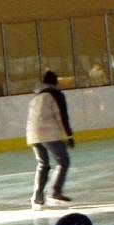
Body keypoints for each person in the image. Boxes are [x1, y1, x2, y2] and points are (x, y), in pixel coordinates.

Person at [26, 70, 75, 211]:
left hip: (32, 135)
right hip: (49, 133)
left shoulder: (36, 96)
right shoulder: (56, 95)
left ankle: (37, 198)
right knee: (63, 161)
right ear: (55, 82)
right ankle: (55, 193)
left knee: (43, 164)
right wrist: (69, 136)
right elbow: (62, 116)